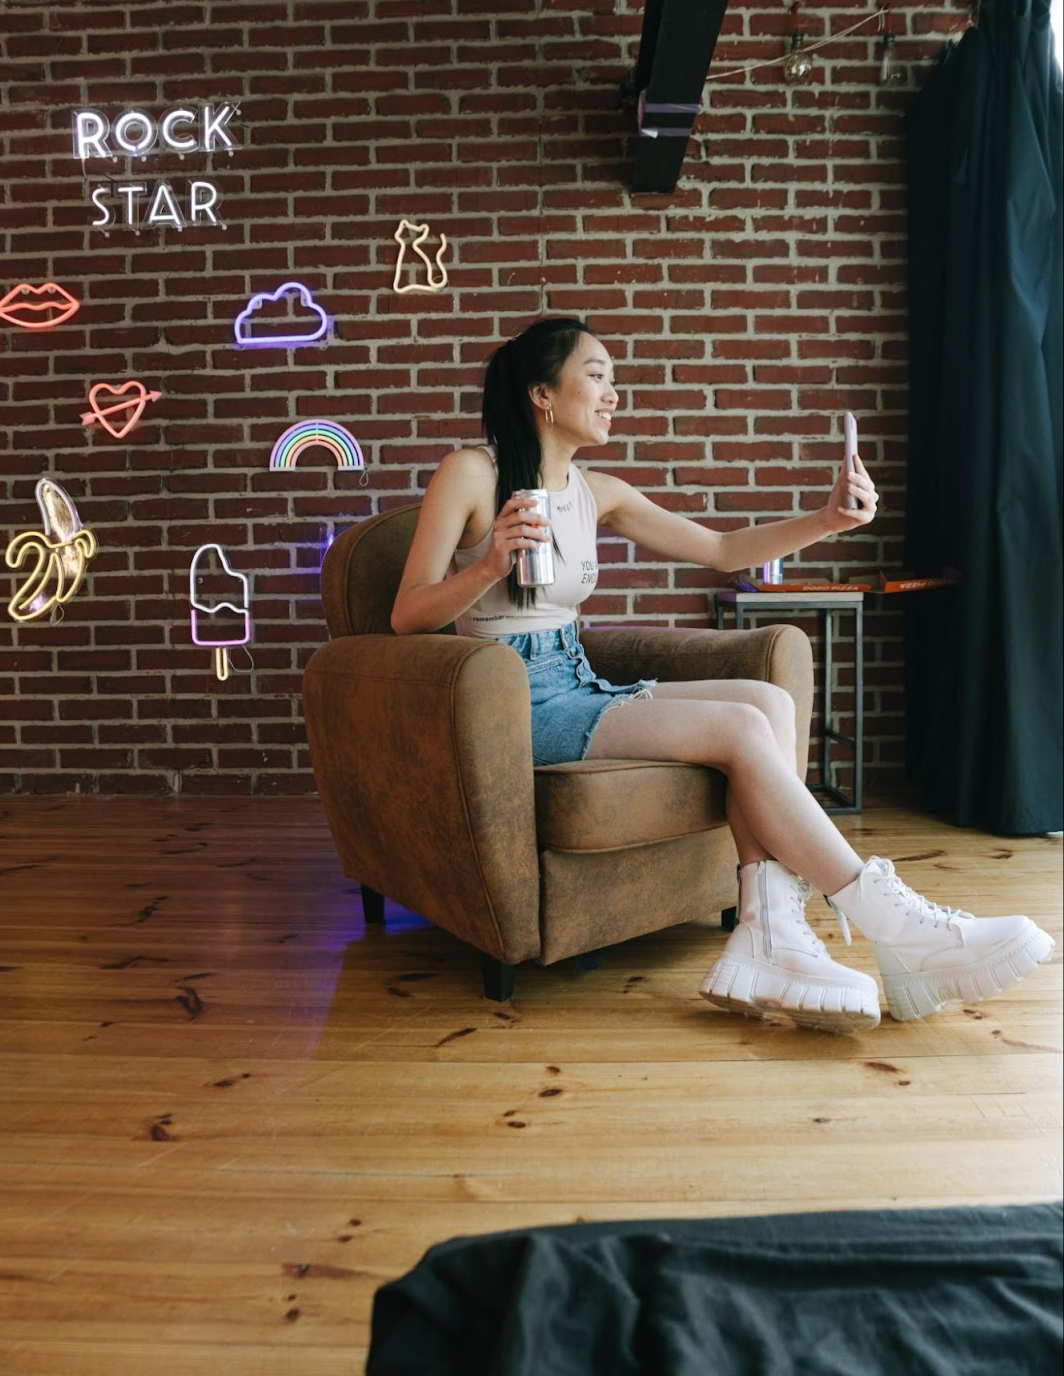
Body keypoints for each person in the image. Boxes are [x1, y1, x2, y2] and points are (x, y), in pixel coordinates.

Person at [391, 317, 1055, 1033]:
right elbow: (406, 616)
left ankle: (770, 931)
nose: (614, 393)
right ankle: (893, 923)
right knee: (739, 725)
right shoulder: (471, 473)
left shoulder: (597, 491)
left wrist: (827, 520)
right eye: (597, 374)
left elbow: (721, 547)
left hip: (573, 678)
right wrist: (490, 563)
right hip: (506, 698)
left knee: (766, 699)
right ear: (541, 395)